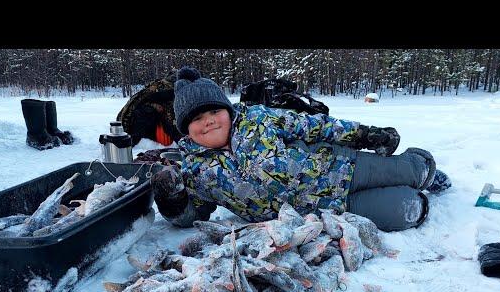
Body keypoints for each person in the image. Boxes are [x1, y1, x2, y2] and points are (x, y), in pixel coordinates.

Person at [151, 67, 451, 232]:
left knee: (410, 170)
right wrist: (173, 202)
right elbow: (194, 216)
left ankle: (422, 170)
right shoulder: (195, 172)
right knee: (408, 210)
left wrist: (365, 135)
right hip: (326, 212)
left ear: (228, 110)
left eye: (213, 112)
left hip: (342, 169)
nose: (208, 123)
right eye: (196, 120)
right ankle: (413, 192)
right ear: (186, 130)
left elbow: (316, 126)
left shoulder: (258, 118)